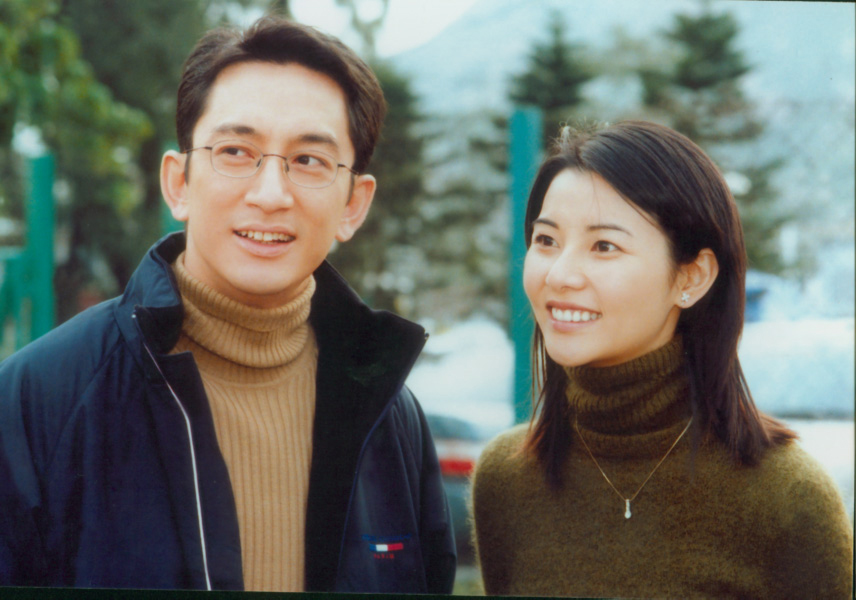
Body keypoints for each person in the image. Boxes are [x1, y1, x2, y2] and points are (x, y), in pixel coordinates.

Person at [0, 16, 455, 593]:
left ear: (353, 205)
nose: (270, 194)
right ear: (178, 182)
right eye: (236, 151)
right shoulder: (35, 403)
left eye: (309, 161)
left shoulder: (389, 418)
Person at [471, 121, 853, 598]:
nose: (560, 275)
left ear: (691, 277)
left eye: (604, 246)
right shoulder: (505, 480)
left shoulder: (787, 495)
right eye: (546, 240)